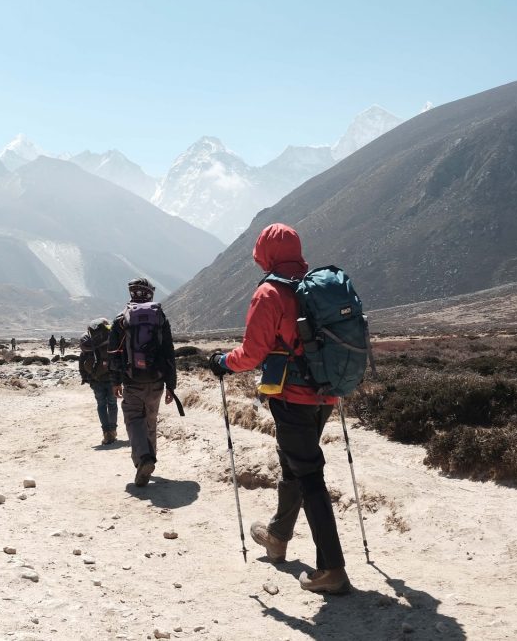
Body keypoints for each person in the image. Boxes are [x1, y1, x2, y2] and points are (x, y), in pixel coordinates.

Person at [209, 223, 349, 594]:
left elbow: (252, 353)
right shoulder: (316, 288)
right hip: (325, 394)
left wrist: (222, 362)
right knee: (295, 465)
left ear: (266, 253)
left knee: (309, 475)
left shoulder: (270, 293)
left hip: (292, 397)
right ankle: (277, 536)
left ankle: (331, 569)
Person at [108, 277, 177, 487]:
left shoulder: (122, 319)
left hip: (132, 380)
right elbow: (168, 353)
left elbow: (113, 353)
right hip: (156, 381)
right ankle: (150, 458)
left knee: (133, 419)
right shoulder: (160, 318)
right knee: (150, 421)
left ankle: (144, 460)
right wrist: (171, 385)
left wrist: (116, 380)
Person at [79, 318, 118, 445]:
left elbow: (82, 361)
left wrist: (85, 377)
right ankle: (113, 431)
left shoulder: (90, 343)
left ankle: (106, 433)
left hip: (96, 379)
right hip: (111, 378)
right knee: (112, 404)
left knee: (101, 405)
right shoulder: (110, 339)